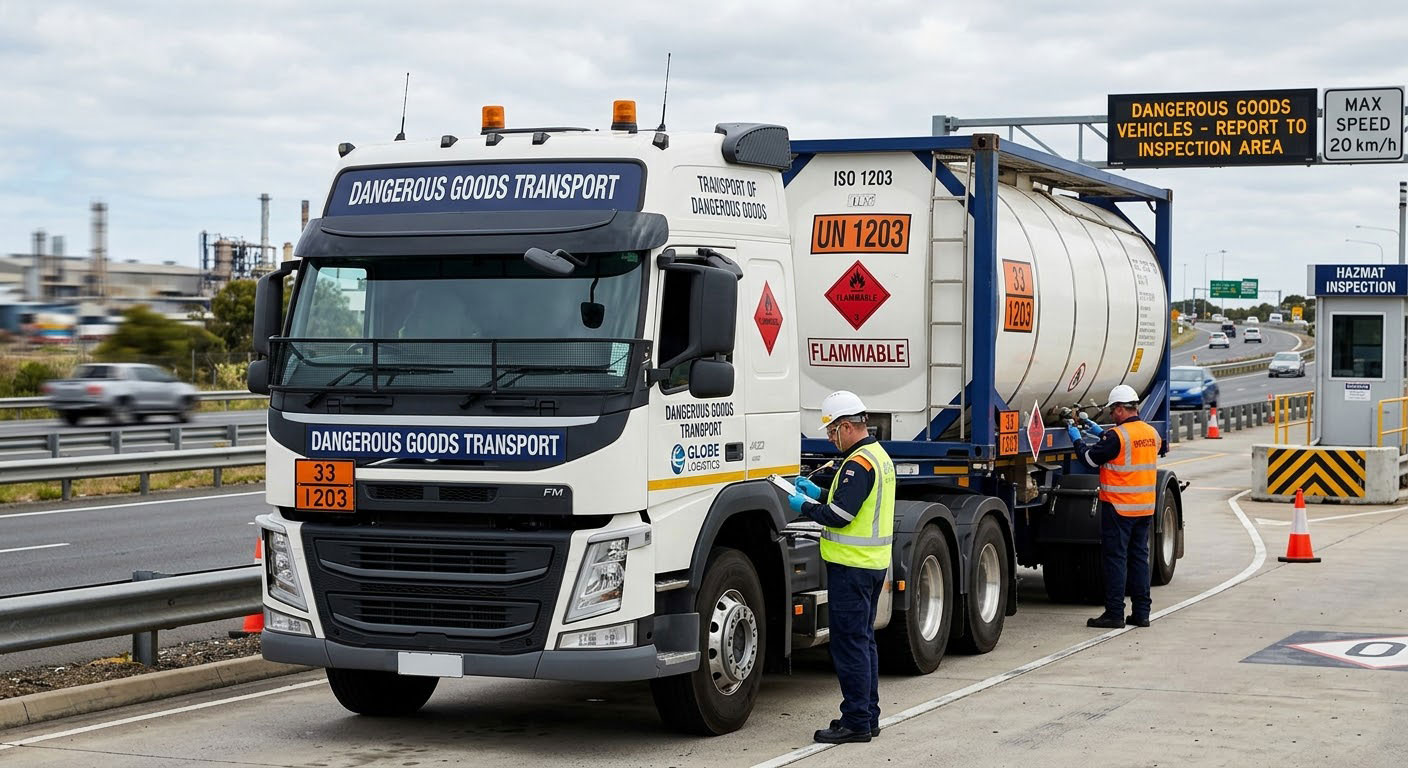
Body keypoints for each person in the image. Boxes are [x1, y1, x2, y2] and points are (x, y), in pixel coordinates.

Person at [787, 390, 896, 744]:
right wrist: (817, 493)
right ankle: (868, 716)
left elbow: (841, 515)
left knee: (849, 646)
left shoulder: (857, 464)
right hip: (870, 566)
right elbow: (851, 502)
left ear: (847, 427)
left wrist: (804, 506)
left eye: (833, 431)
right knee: (864, 642)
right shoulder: (876, 457)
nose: (831, 438)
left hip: (852, 568)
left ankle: (856, 722)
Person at [1069, 384, 1167, 629]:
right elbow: (1137, 449)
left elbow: (1090, 459)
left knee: (1115, 560)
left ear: (1121, 409)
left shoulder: (1116, 436)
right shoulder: (1151, 433)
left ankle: (1114, 613)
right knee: (1139, 559)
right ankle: (1142, 613)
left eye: (1112, 411)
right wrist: (1100, 433)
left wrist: (1077, 439)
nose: (1111, 415)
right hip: (1144, 508)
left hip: (1119, 507)